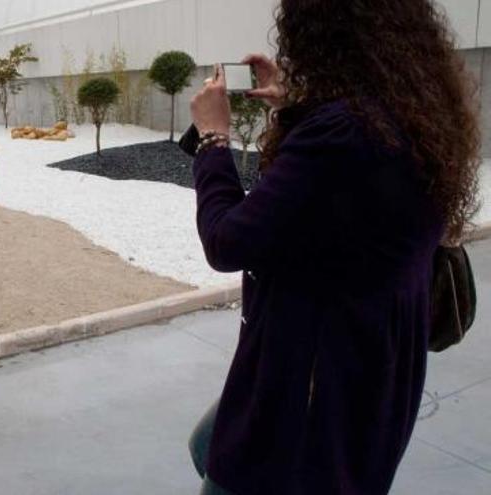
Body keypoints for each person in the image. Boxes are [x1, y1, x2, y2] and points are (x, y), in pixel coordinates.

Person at [187, 0, 481, 493]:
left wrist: (213, 139)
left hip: (312, 380)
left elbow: (227, 239)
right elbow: (343, 191)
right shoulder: (417, 114)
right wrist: (291, 104)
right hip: (374, 364)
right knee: (208, 444)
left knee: (231, 469)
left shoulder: (343, 132)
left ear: (323, 39)